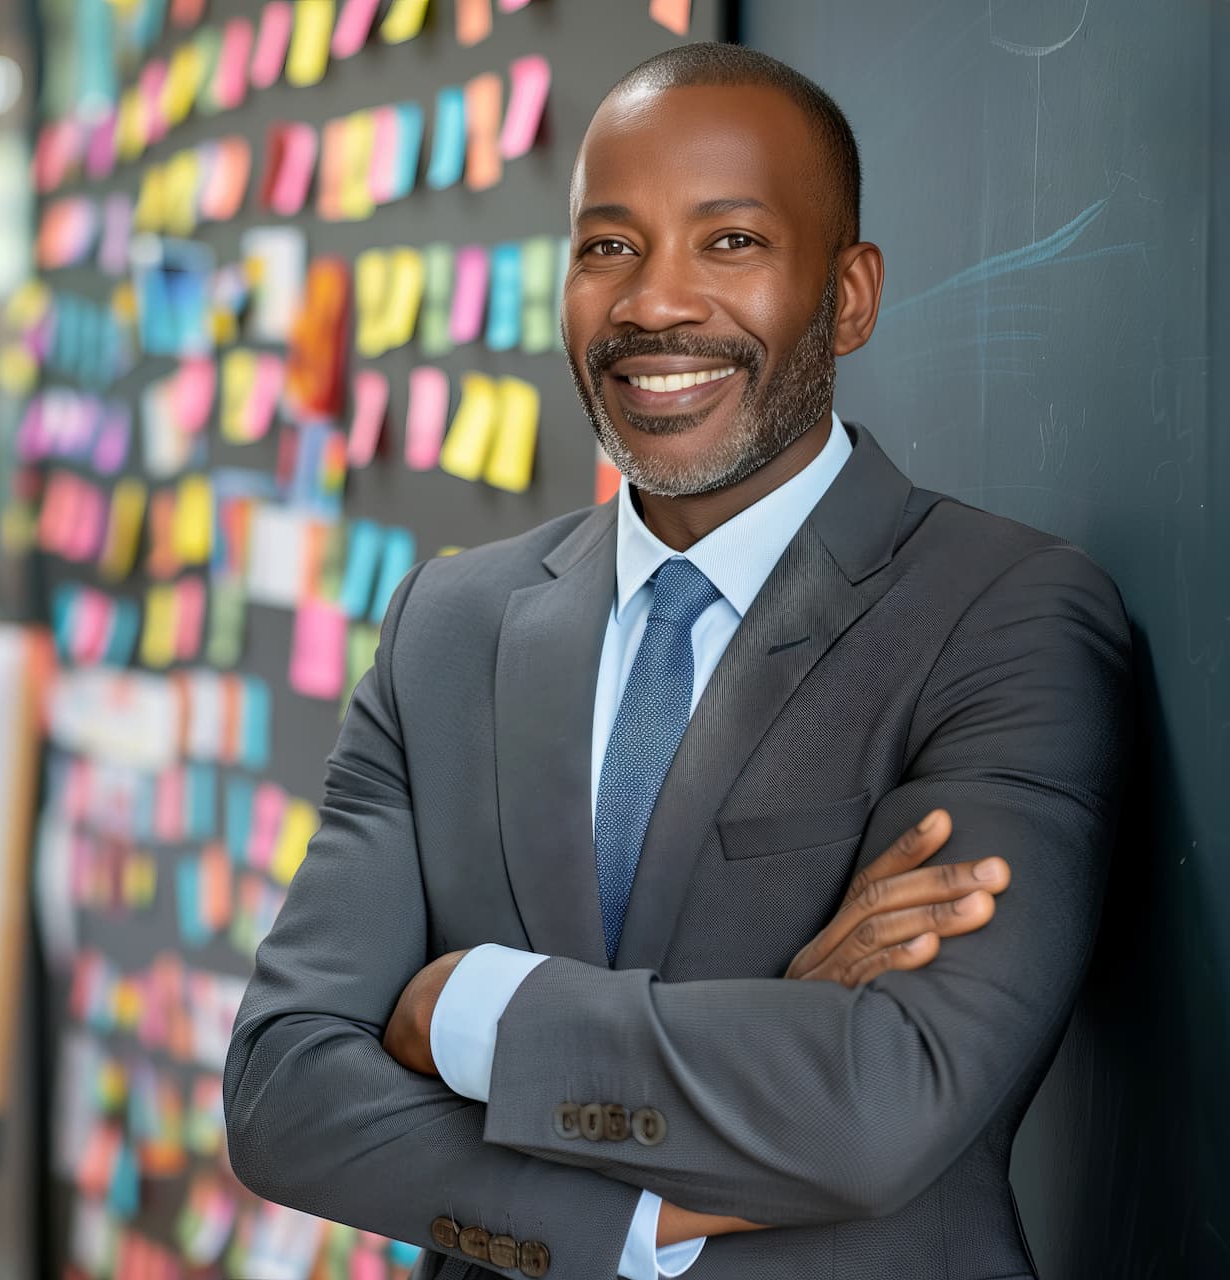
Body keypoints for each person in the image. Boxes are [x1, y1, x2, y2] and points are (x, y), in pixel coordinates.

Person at [225, 43, 1131, 1280]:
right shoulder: (451, 620)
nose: (654, 302)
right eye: (609, 245)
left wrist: (468, 1010)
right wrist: (632, 1212)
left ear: (849, 294)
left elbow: (883, 1097)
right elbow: (284, 1091)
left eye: (731, 241)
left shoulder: (1005, 614)